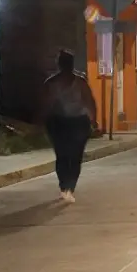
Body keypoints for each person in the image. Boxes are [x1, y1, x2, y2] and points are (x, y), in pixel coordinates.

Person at [40, 50, 96, 203]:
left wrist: (92, 120)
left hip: (75, 123)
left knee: (71, 155)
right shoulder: (53, 83)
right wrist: (93, 119)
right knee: (66, 155)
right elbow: (90, 102)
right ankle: (66, 186)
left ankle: (68, 186)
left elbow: (89, 101)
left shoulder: (78, 82)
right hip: (62, 123)